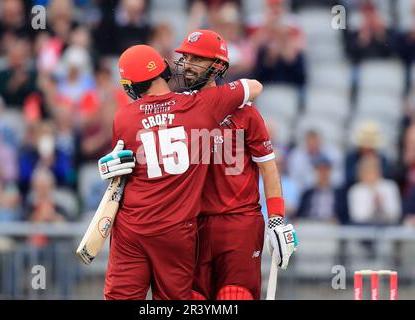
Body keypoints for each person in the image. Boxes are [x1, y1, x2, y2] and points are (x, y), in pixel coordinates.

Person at [98, 44, 263, 300]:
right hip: (174, 229)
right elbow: (253, 86)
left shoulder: (124, 118)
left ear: (132, 85)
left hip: (130, 228)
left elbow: (123, 172)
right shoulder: (199, 106)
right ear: (164, 70)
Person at [172, 29, 297, 300]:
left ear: (217, 66)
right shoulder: (177, 109)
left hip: (238, 224)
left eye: (197, 59)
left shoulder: (246, 113)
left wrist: (276, 218)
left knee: (234, 297)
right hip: (191, 224)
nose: (188, 65)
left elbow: (268, 167)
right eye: (186, 58)